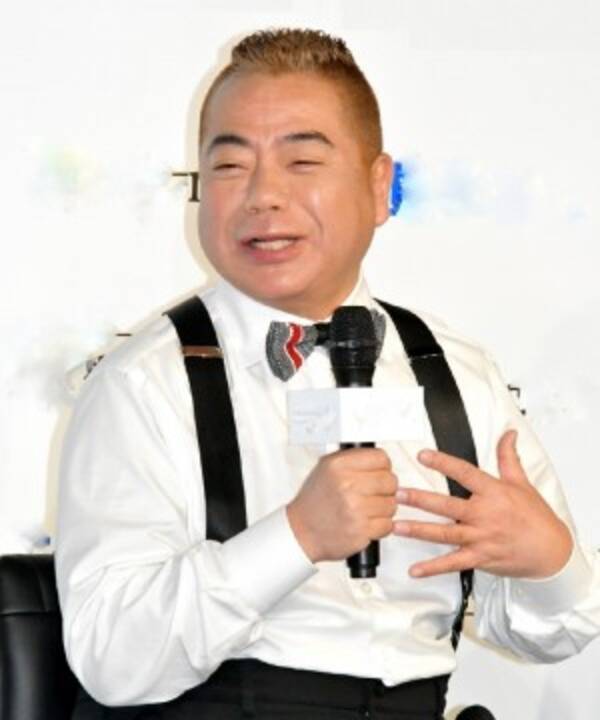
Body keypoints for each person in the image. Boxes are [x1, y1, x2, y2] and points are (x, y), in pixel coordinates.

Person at [56, 28, 600, 720]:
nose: (263, 195)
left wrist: (547, 561)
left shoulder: (459, 375)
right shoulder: (143, 385)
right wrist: (296, 535)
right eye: (231, 165)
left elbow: (555, 631)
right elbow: (113, 659)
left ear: (378, 187)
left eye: (302, 161)